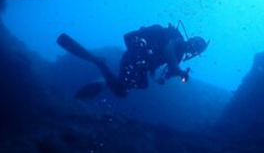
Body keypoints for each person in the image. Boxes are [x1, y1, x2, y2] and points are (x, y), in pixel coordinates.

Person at [56, 24, 209, 99]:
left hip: (142, 64)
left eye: (196, 50)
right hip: (135, 57)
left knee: (135, 87)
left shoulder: (179, 55)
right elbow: (168, 50)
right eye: (196, 48)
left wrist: (166, 76)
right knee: (122, 90)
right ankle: (100, 64)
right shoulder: (176, 38)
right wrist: (176, 69)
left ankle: (105, 80)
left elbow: (165, 67)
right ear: (193, 46)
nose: (193, 50)